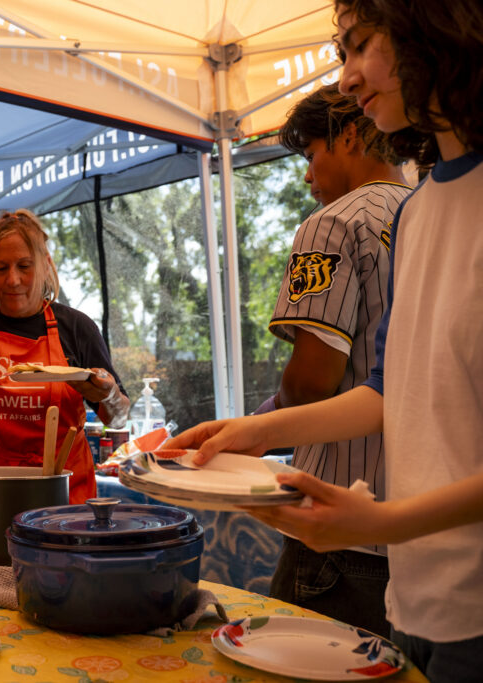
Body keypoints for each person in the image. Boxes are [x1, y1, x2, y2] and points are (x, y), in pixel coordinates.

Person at [166, 1, 483, 679]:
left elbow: (315, 369)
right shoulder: (417, 210)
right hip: (414, 595)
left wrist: (378, 521)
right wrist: (251, 432)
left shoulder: (328, 228)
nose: (345, 79)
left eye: (360, 45)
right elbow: (388, 390)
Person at [253, 83, 412, 635]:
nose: (307, 175)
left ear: (348, 134)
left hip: (338, 523)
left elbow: (312, 381)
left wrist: (259, 423)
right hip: (421, 522)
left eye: (311, 154)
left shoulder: (334, 223)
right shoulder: (427, 209)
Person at [0, 210, 129, 504]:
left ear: (46, 265)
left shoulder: (76, 328)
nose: (12, 280)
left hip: (58, 491)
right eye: (0, 268)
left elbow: (119, 418)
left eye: (25, 266)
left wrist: (108, 392)